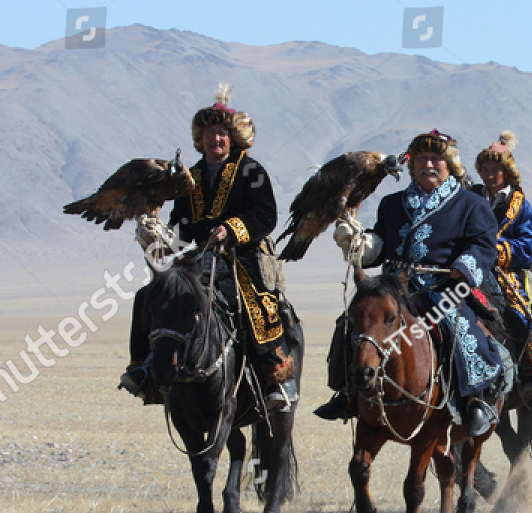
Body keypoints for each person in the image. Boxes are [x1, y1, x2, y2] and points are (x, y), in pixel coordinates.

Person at [319, 131, 511, 436]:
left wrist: (464, 266)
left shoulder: (471, 204)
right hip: (394, 288)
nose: (429, 164)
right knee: (353, 322)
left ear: (449, 164)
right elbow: (382, 242)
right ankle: (348, 392)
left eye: (436, 158)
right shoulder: (392, 204)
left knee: (458, 329)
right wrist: (361, 243)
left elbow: (484, 246)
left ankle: (476, 400)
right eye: (422, 158)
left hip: (445, 287)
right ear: (412, 165)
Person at [123, 85, 298, 409]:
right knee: (150, 295)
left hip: (240, 256)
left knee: (251, 301)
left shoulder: (251, 171)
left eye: (222, 133)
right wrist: (160, 235)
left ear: (232, 138)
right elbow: (181, 223)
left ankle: (270, 370)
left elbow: (265, 215)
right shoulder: (191, 177)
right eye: (209, 133)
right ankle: (144, 368)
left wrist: (230, 229)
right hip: (195, 258)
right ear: (199, 139)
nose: (216, 139)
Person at [474, 132, 532, 388]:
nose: (490, 174)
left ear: (507, 171)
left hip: (506, 277)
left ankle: (528, 372)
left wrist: (495, 250)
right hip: (469, 271)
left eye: (496, 169)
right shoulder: (472, 197)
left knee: (519, 319)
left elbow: (528, 246)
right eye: (485, 169)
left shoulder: (520, 205)